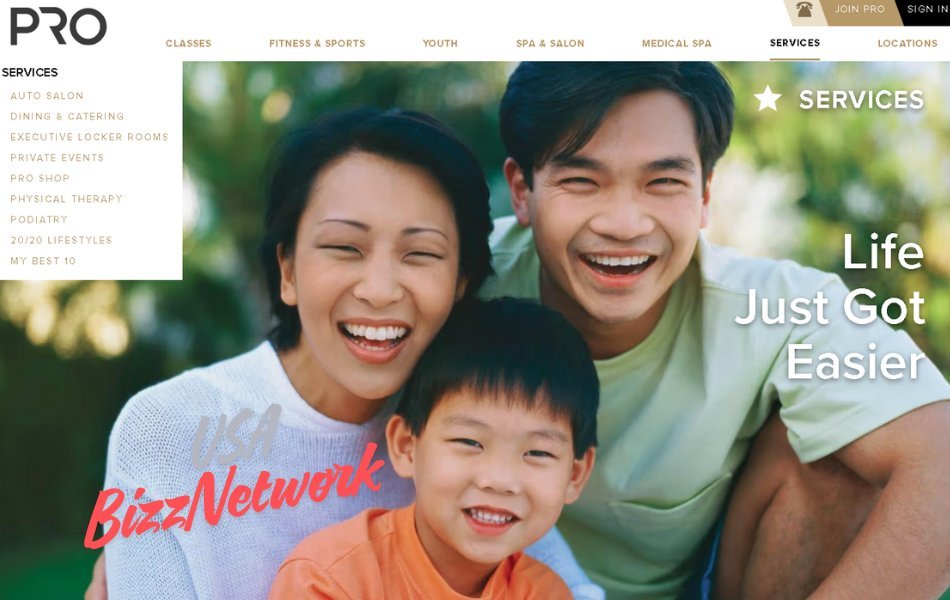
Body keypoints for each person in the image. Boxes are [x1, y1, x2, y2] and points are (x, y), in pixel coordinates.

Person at [482, 62, 950, 599]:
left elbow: (941, 457)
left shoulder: (774, 307)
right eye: (582, 181)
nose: (624, 223)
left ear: (704, 194)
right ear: (522, 190)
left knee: (834, 453)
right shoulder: (452, 279)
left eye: (663, 182)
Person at [90, 108, 599, 599]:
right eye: (344, 248)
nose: (379, 290)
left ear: (461, 284)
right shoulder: (168, 429)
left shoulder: (464, 423)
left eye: (420, 254)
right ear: (287, 271)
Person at [268, 297, 599, 599]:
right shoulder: (330, 578)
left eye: (538, 453)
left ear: (575, 474)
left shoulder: (545, 594)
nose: (498, 480)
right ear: (406, 447)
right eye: (470, 442)